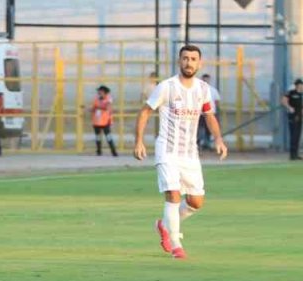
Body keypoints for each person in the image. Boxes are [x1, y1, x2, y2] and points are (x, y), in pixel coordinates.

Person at [134, 44, 227, 261]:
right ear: (179, 61)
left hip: (189, 153)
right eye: (185, 58)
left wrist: (219, 139)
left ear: (199, 63)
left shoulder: (203, 89)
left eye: (193, 59)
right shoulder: (167, 87)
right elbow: (145, 112)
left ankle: (164, 225)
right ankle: (176, 244)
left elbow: (209, 115)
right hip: (167, 150)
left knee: (196, 201)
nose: (189, 62)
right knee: (173, 194)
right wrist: (139, 141)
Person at [282, 79, 303, 161]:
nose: (302, 86)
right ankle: (292, 155)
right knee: (294, 135)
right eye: (301, 84)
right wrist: (289, 108)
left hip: (300, 116)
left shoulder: (302, 94)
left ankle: (296, 153)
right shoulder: (291, 92)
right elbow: (284, 101)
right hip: (293, 115)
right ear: (297, 85)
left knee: (298, 135)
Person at [90, 85, 117, 157]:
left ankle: (114, 152)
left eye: (101, 92)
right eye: (99, 92)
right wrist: (93, 109)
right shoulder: (96, 99)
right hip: (96, 121)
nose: (99, 93)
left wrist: (98, 107)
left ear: (105, 93)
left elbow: (107, 107)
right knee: (97, 137)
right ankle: (99, 151)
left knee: (108, 137)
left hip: (105, 121)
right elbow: (93, 108)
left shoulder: (108, 98)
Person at [197, 73, 221, 150]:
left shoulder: (213, 90)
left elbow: (217, 101)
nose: (205, 81)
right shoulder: (198, 90)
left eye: (207, 79)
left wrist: (215, 111)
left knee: (209, 129)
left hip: (211, 113)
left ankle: (207, 144)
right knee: (200, 128)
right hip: (200, 113)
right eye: (204, 79)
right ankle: (199, 142)